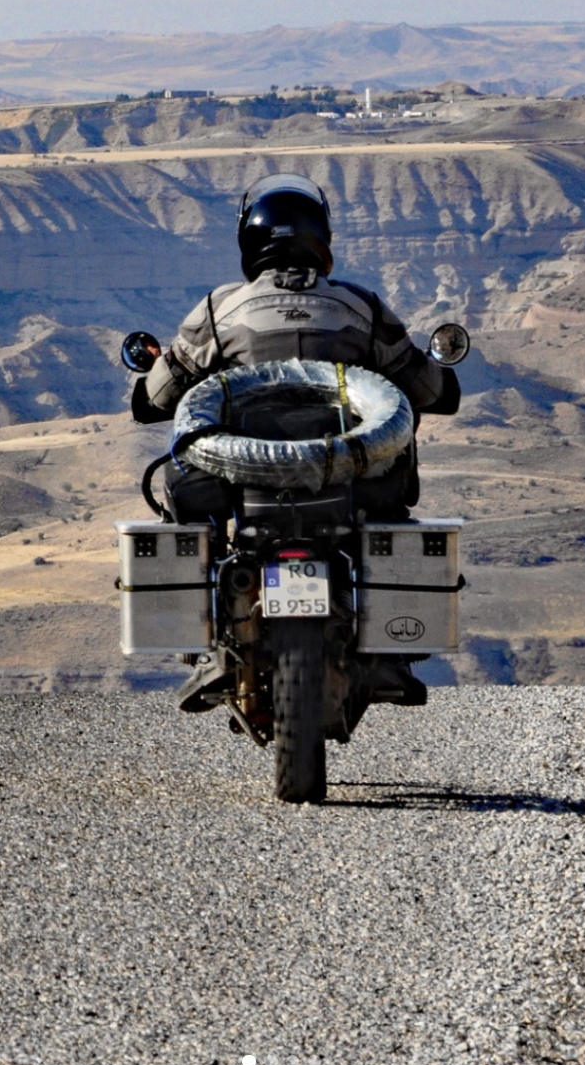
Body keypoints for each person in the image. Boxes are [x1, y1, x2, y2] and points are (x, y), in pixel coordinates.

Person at [131, 172, 460, 706]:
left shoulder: (219, 310)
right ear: (321, 240)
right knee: (392, 511)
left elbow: (156, 397)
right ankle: (389, 653)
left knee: (181, 489)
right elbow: (429, 388)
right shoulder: (361, 306)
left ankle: (206, 648)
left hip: (244, 486)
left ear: (250, 241)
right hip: (349, 479)